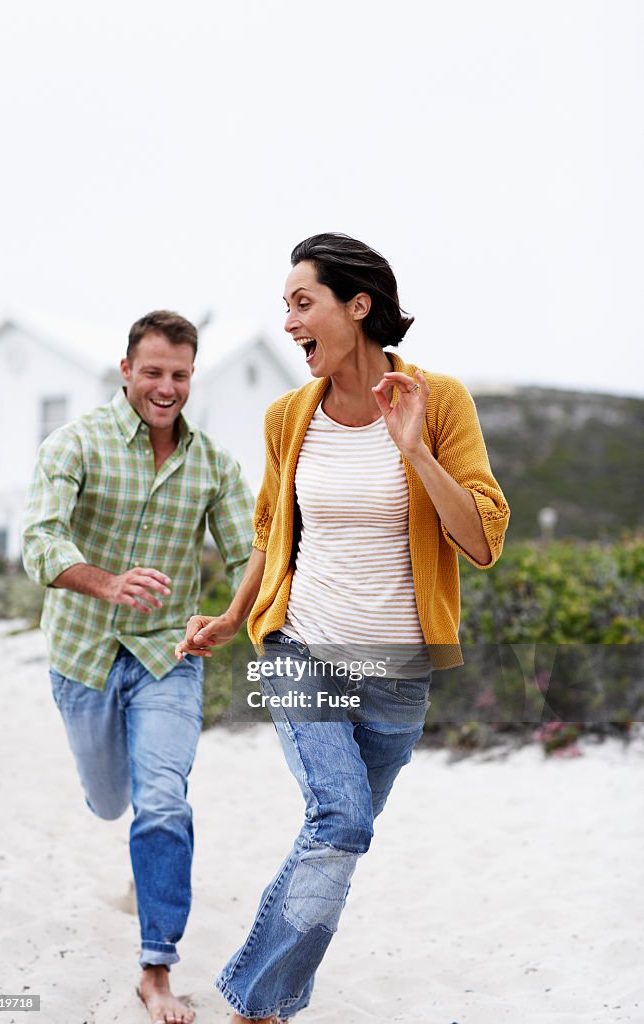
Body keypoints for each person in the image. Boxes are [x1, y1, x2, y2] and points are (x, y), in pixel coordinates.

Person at [176, 233, 511, 1023]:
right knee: (342, 818)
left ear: (357, 306)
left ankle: (267, 997)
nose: (289, 323)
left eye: (302, 303)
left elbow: (483, 540)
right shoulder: (287, 416)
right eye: (285, 307)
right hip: (302, 647)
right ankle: (256, 1006)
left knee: (341, 840)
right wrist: (231, 616)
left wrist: (414, 451)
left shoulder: (441, 400)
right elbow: (271, 531)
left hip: (399, 671)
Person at [22, 310, 254, 1024]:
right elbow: (38, 541)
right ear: (127, 370)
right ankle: (128, 837)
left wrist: (234, 618)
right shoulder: (77, 443)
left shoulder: (213, 464)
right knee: (110, 800)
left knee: (163, 801)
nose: (166, 387)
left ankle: (156, 969)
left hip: (167, 657)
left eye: (179, 374)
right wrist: (107, 581)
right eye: (152, 372)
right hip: (83, 656)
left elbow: (250, 553)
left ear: (192, 375)